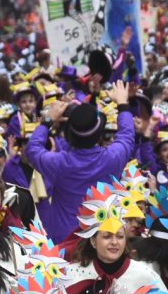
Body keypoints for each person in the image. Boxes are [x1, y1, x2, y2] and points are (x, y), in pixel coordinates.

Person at [65, 182, 168, 294]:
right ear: (93, 241)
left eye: (119, 236)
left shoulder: (143, 274)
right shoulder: (74, 273)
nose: (114, 242)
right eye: (107, 236)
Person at [24, 81, 136, 241]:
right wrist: (123, 104)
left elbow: (32, 149)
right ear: (99, 134)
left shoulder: (59, 163)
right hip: (102, 239)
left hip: (65, 241)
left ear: (70, 135)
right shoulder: (113, 158)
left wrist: (48, 120)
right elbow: (127, 135)